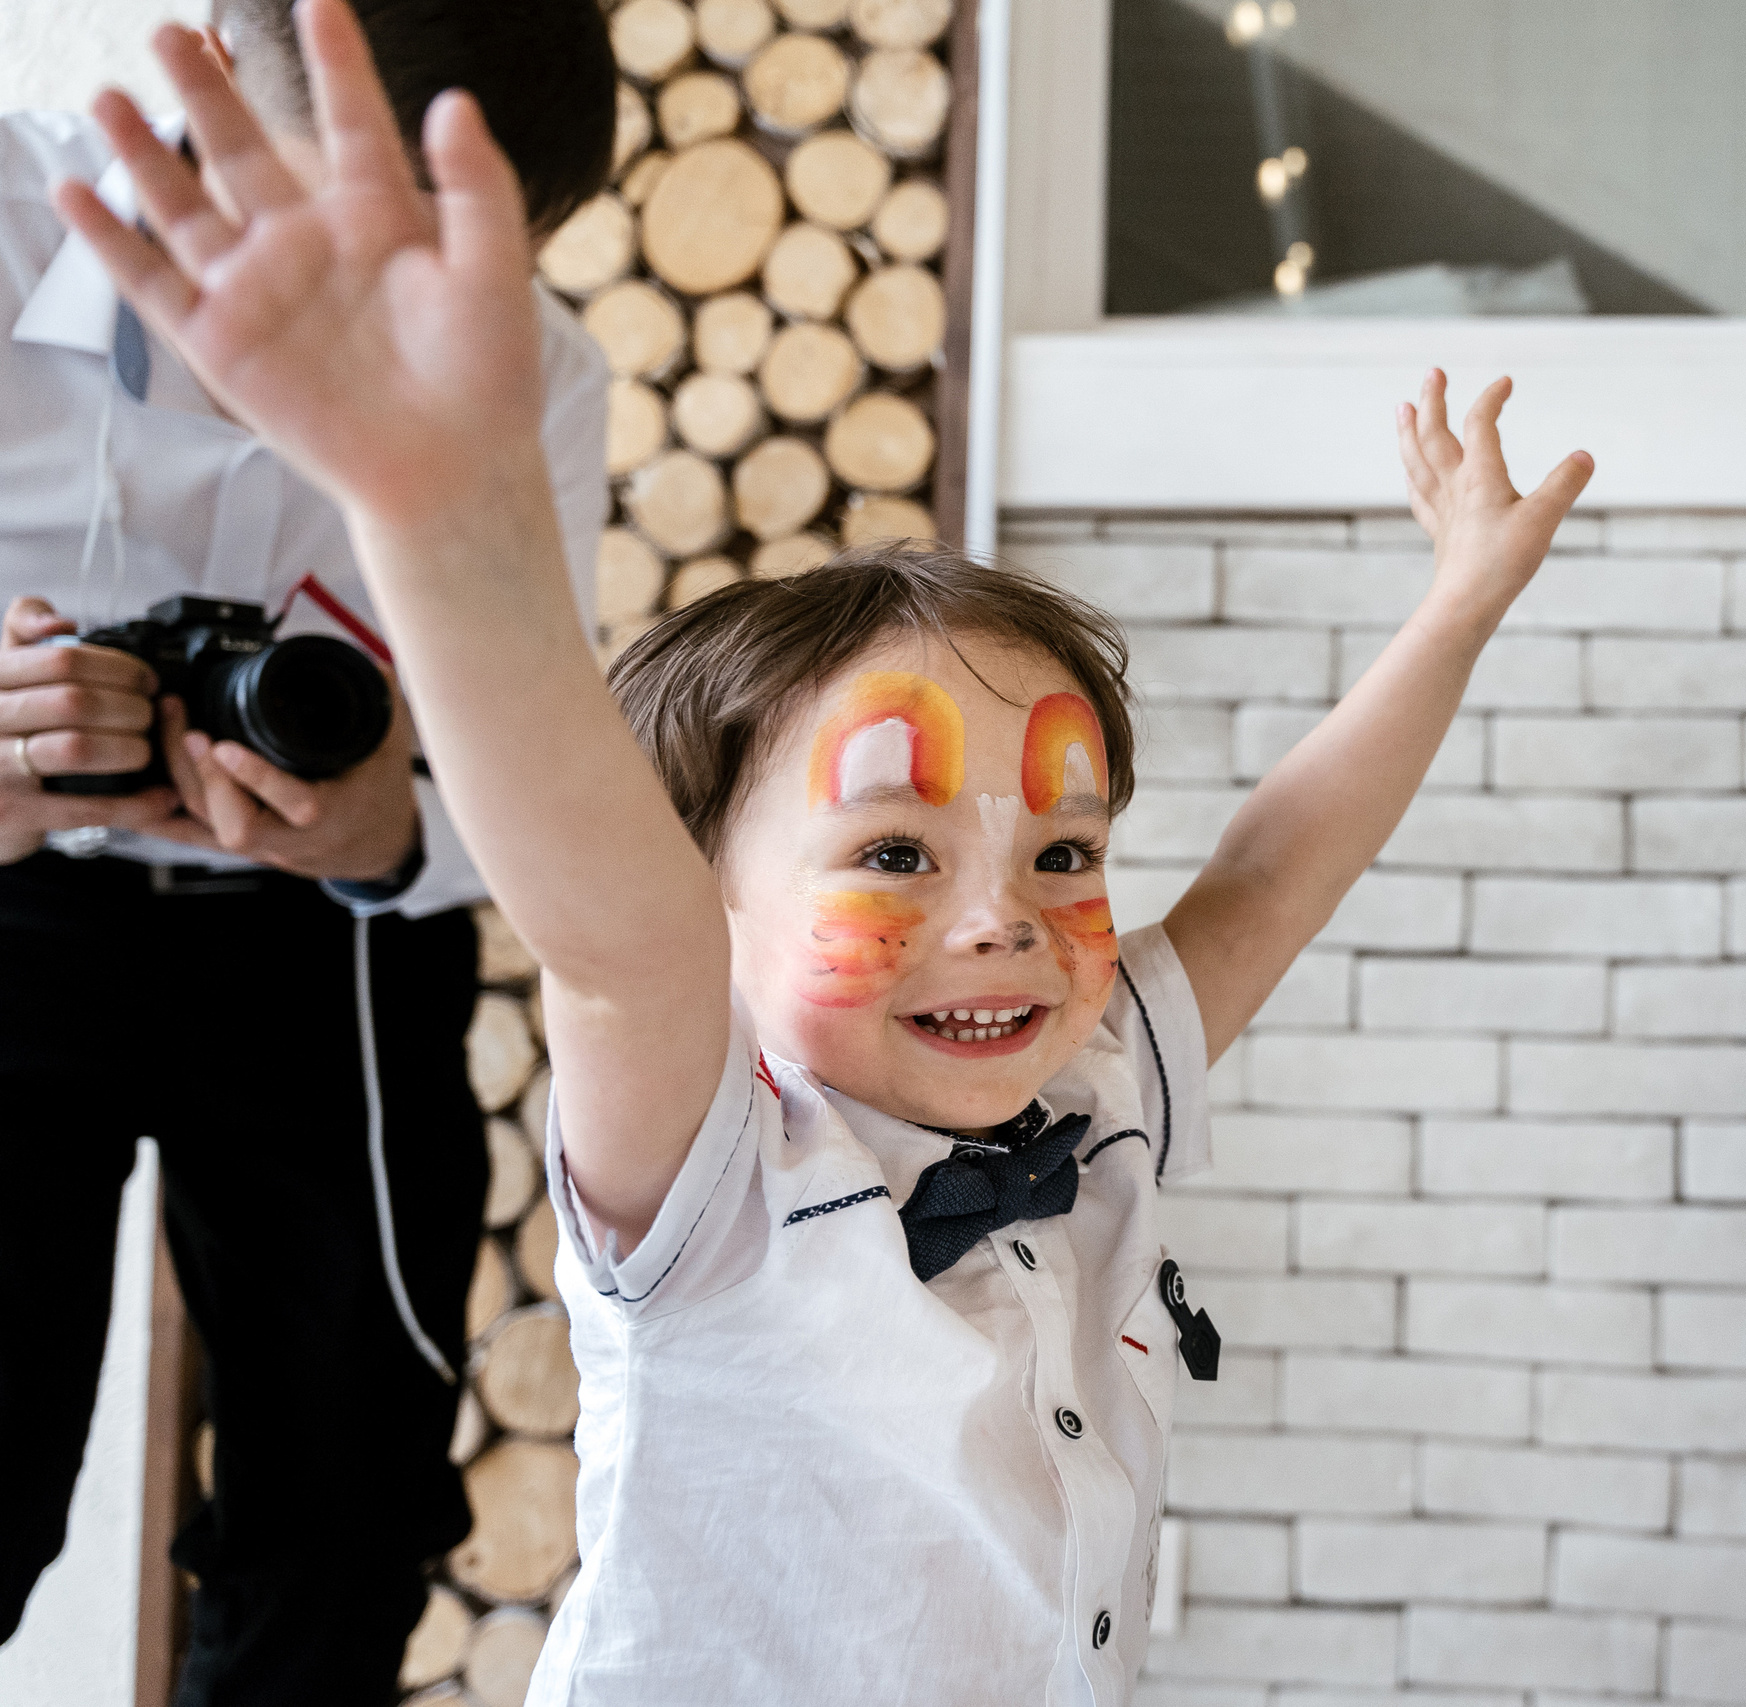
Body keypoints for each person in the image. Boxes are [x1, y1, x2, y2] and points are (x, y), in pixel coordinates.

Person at [59, 3, 1597, 1700]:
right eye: (895, 854)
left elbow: (1271, 874)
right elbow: (602, 921)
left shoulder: (1100, 1081)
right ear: (707, 892)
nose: (1003, 919)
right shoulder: (717, 1167)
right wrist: (431, 515)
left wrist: (1456, 607)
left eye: (1067, 851)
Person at [0, 1, 613, 1699]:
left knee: (345, 1506)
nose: (359, 311)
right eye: (328, 226)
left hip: (329, 926)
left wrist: (392, 825)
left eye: (434, 264)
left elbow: (538, 797)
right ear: (209, 59)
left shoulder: (542, 373)